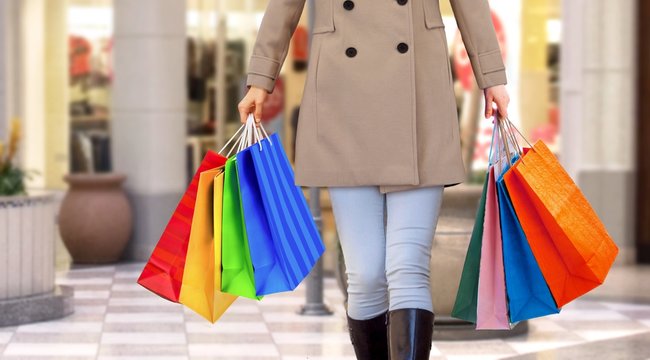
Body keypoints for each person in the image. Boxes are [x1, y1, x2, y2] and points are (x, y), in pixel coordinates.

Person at [238, 0, 509, 358]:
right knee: (365, 277)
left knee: (408, 267)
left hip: (419, 96)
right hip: (342, 98)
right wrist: (261, 78)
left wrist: (492, 76)